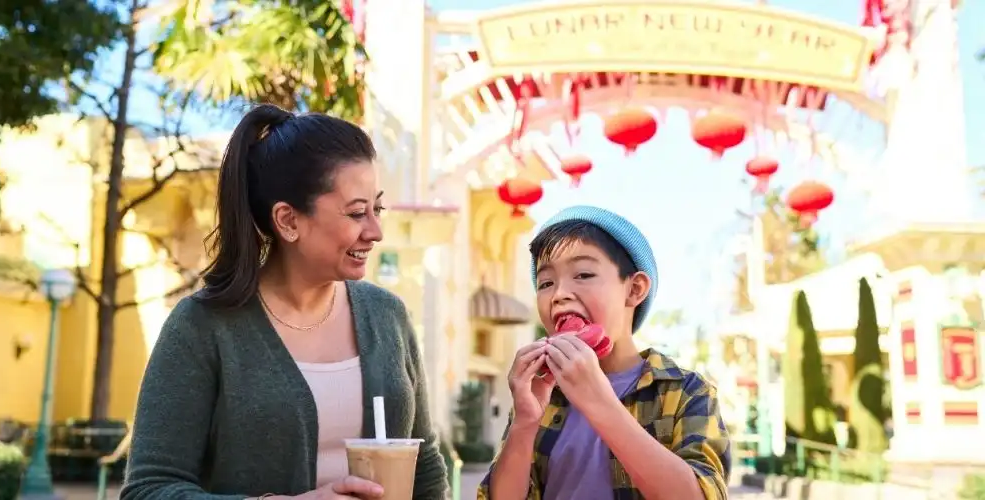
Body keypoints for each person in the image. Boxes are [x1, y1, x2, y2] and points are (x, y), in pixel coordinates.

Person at [121, 105, 447, 500]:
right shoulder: (202, 326)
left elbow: (425, 468)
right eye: (357, 212)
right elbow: (147, 490)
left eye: (376, 209)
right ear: (288, 220)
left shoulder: (387, 315)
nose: (375, 231)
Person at [478, 206, 731, 500]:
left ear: (634, 289)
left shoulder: (687, 392)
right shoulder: (543, 396)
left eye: (583, 274)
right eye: (546, 283)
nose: (559, 294)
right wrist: (524, 423)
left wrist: (597, 400)